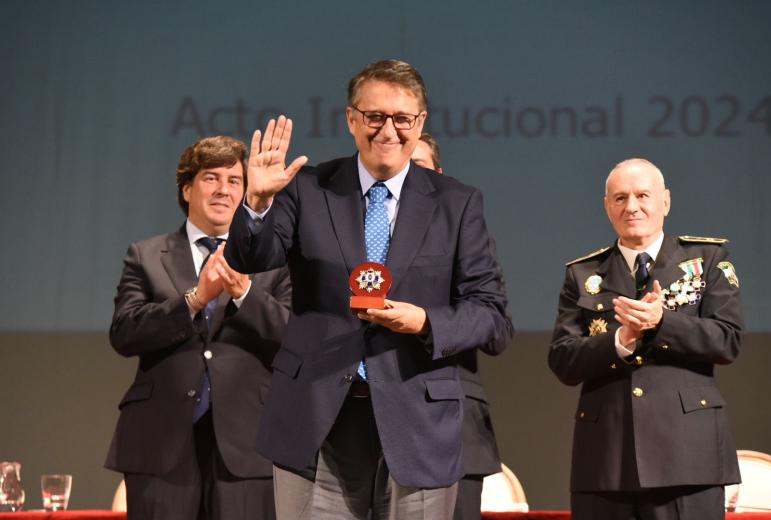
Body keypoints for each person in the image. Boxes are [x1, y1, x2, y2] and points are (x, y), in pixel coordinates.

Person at [225, 59, 508, 519]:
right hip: (318, 417)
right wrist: (256, 203)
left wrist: (424, 321)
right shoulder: (308, 188)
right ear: (352, 119)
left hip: (418, 419)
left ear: (420, 123)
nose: (388, 130)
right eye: (375, 117)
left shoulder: (457, 203)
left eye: (402, 119)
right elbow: (252, 259)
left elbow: (490, 312)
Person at [105, 136, 291, 520]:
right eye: (211, 178)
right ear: (187, 188)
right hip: (161, 444)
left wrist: (244, 292)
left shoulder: (274, 260)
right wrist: (193, 299)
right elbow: (124, 332)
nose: (224, 189)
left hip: (248, 445)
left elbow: (294, 336)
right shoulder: (146, 254)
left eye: (235, 180)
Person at [549, 158, 742, 520]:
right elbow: (563, 360)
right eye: (620, 198)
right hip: (606, 458)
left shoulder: (707, 258)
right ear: (607, 206)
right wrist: (620, 340)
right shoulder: (583, 273)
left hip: (688, 457)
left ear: (665, 202)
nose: (632, 206)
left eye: (642, 195)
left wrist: (662, 323)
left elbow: (727, 340)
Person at [413, 133, 512, 519]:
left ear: (440, 176)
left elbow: (498, 331)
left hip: (454, 428)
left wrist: (426, 323)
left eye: (419, 167)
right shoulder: (362, 233)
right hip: (373, 430)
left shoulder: (467, 237)